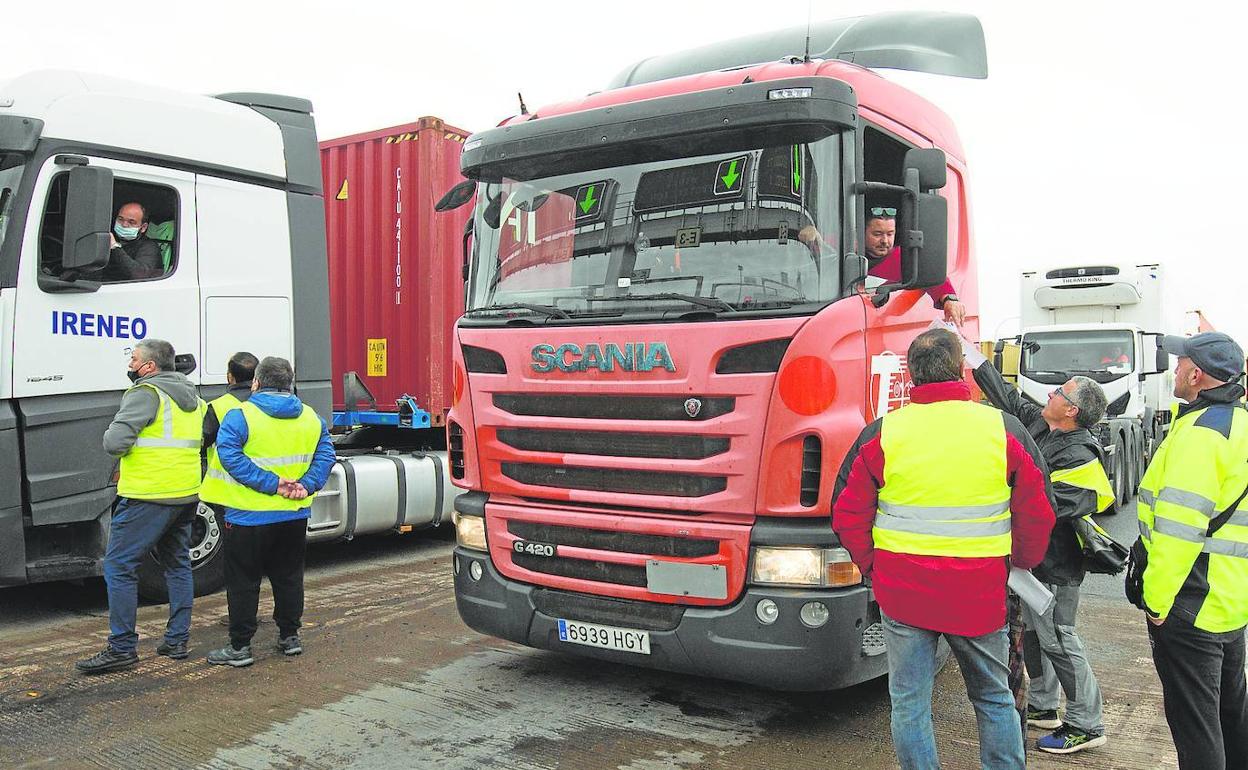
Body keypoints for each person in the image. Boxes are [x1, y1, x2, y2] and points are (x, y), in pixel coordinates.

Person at [833, 328, 1056, 769]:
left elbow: (846, 513)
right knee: (993, 697)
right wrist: (1020, 565)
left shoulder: (882, 433)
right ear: (961, 371)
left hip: (903, 595)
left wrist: (873, 568)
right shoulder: (1002, 430)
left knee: (910, 703)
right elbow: (1039, 511)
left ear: (911, 376)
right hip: (978, 595)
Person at [967, 335, 1112, 754]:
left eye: (1060, 391)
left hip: (1057, 566)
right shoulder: (1042, 425)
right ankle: (1046, 706)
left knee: (1060, 638)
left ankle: (1087, 721)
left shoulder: (1081, 452)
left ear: (1072, 410)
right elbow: (1006, 395)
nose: (1049, 392)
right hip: (1032, 562)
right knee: (1034, 636)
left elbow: (1055, 506)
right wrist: (968, 350)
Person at [1136, 331, 1248, 770]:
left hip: (1191, 602)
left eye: (1180, 362)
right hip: (1230, 599)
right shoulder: (1238, 422)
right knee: (1230, 718)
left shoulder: (1202, 436)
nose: (1175, 368)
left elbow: (1179, 530)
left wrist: (1156, 601)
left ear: (1196, 374)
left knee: (1197, 729)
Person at [75, 340, 207, 674]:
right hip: (185, 494)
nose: (130, 362)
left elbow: (114, 442)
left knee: (119, 567)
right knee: (177, 565)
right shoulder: (194, 397)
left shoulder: (144, 393)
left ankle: (121, 649)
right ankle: (177, 641)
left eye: (134, 358)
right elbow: (205, 437)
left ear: (148, 366)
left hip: (147, 495)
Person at [203, 356, 335, 667]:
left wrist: (272, 484)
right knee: (289, 578)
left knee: (243, 581)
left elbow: (230, 457)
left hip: (247, 517)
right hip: (293, 515)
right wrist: (306, 484)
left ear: (256, 383)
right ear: (290, 384)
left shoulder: (240, 416)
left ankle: (240, 647)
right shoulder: (311, 417)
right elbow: (326, 453)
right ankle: (289, 637)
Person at [801, 207, 966, 326]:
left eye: (890, 234)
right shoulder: (844, 246)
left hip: (881, 326)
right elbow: (817, 241)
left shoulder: (904, 257)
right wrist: (810, 234)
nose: (885, 241)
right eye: (877, 234)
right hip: (834, 321)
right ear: (861, 233)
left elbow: (932, 272)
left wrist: (949, 299)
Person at [202, 351, 259, 467]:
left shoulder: (216, 407)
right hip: (267, 479)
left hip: (226, 480)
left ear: (230, 377)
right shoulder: (269, 403)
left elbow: (201, 443)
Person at [105, 202, 162, 281]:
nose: (124, 224)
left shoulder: (149, 247)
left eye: (131, 222)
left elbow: (139, 274)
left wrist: (115, 247)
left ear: (143, 227)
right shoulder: (108, 237)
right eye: (120, 219)